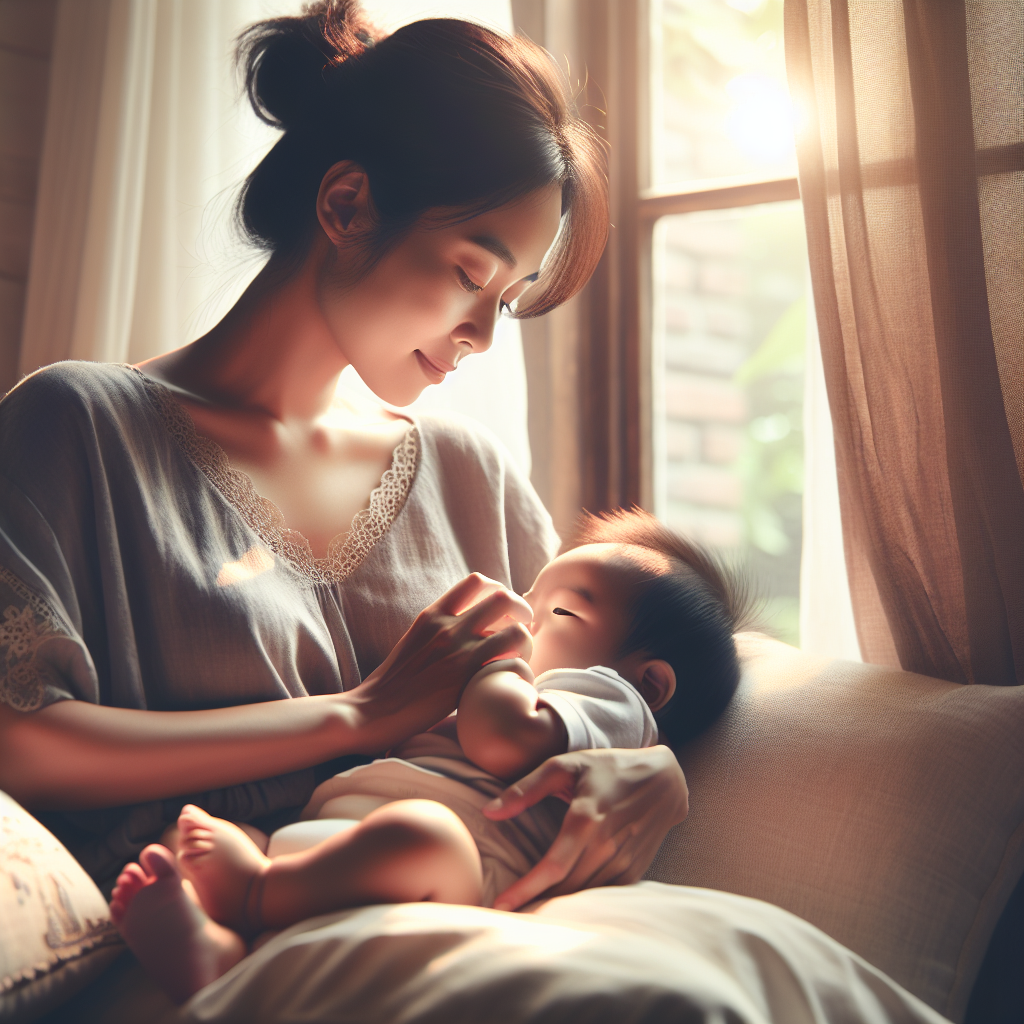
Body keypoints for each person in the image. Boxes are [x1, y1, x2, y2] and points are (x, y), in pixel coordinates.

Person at [0, 0, 688, 951]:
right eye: (467, 273)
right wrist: (356, 717)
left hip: (453, 944)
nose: (483, 334)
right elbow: (20, 742)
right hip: (185, 946)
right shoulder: (76, 427)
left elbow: (596, 678)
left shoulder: (468, 478)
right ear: (346, 206)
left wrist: (661, 774)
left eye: (510, 297)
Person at [109, 509, 752, 1003]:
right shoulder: (526, 685)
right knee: (199, 829)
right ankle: (218, 952)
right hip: (338, 843)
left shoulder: (609, 702)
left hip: (457, 874)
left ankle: (253, 898)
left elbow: (501, 740)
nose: (524, 612)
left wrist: (496, 659)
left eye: (556, 609)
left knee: (425, 833)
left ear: (651, 684)